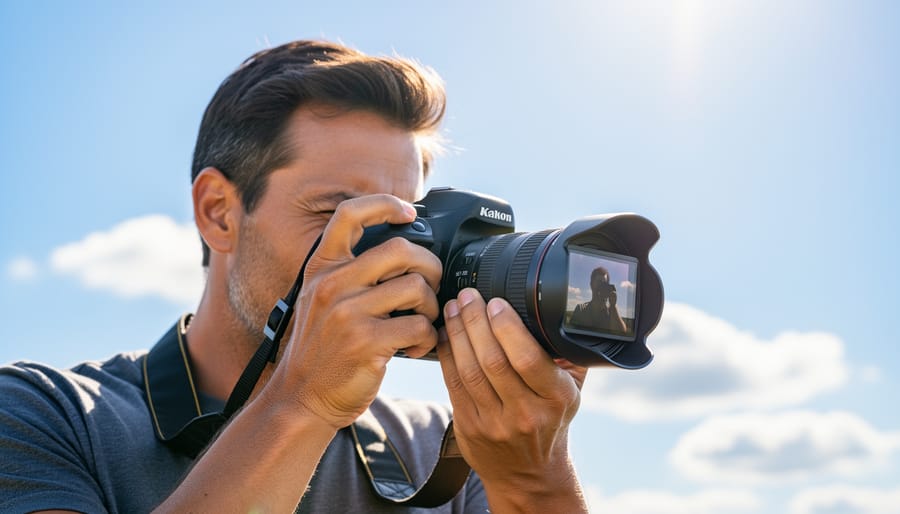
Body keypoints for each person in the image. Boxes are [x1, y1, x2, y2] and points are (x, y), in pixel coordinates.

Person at [0, 40, 589, 513]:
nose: (385, 257)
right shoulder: (45, 416)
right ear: (219, 212)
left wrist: (536, 483)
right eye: (338, 214)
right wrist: (302, 401)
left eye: (406, 222)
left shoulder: (444, 452)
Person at [569, 266, 627, 334]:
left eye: (604, 283)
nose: (602, 286)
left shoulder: (611, 312)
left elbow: (621, 333)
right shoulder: (580, 309)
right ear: (591, 285)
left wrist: (613, 306)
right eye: (599, 282)